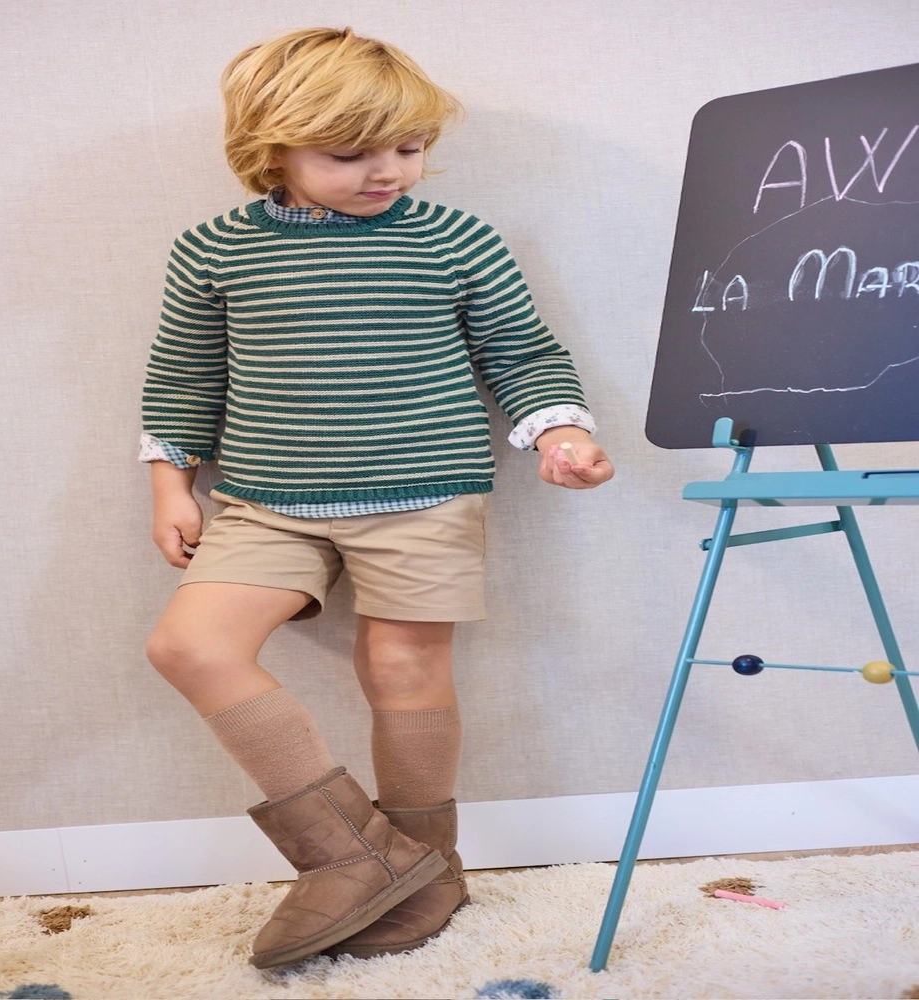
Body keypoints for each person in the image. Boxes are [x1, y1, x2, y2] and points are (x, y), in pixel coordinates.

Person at [140, 26, 614, 970]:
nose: (388, 171)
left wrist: (559, 432)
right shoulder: (213, 251)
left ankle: (429, 868)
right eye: (349, 154)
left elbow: (520, 353)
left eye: (408, 147)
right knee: (189, 645)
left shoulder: (456, 237)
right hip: (269, 500)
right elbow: (184, 377)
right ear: (269, 148)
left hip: (424, 496)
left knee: (400, 671)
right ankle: (364, 857)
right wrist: (172, 485)